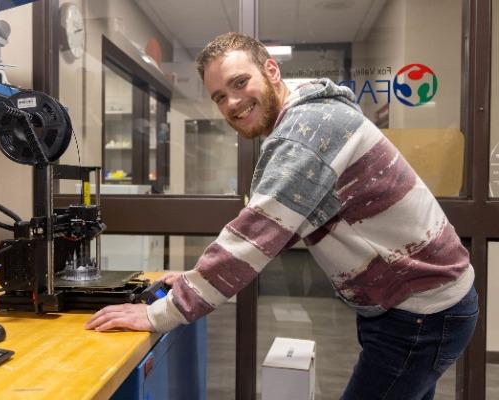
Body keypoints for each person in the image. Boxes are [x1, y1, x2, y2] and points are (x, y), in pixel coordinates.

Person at [86, 32, 479, 399]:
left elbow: (252, 240)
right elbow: (279, 227)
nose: (233, 103)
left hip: (420, 312)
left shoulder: (304, 133)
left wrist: (158, 314)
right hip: (415, 303)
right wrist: (190, 281)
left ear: (272, 70)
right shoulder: (312, 117)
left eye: (240, 83)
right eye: (220, 96)